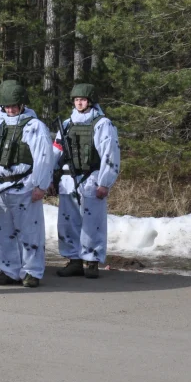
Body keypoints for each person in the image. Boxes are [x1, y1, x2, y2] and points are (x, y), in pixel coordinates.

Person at [0, 80, 54, 287]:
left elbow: (43, 157)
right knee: (1, 232)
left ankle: (32, 271)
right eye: (7, 105)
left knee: (29, 232)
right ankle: (8, 269)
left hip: (24, 185)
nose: (10, 109)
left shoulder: (34, 126)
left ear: (22, 104)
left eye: (14, 105)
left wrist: (41, 185)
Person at [54, 83, 121, 279]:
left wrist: (105, 182)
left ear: (90, 101)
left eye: (82, 100)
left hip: (92, 178)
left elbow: (110, 154)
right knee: (67, 223)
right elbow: (56, 151)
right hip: (68, 180)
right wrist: (49, 175)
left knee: (93, 223)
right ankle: (74, 260)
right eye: (76, 100)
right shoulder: (67, 124)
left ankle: (92, 262)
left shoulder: (102, 124)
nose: (79, 103)